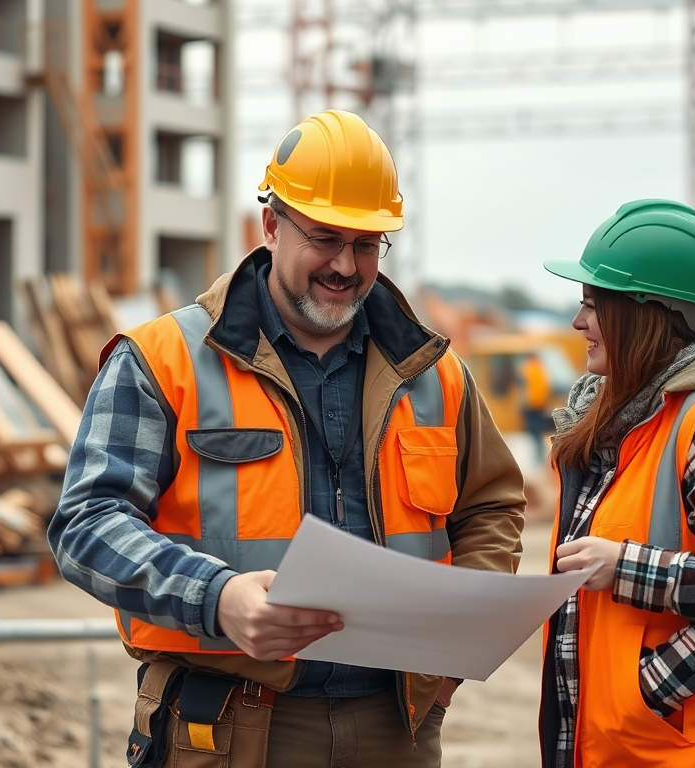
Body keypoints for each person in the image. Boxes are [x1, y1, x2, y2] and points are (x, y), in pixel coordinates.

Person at [48, 109, 525, 768]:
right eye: (325, 237)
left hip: (396, 731)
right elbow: (85, 525)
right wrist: (217, 598)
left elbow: (491, 506)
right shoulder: (164, 358)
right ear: (271, 224)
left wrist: (458, 638)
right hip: (227, 725)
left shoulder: (434, 372)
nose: (345, 265)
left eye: (366, 244)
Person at [538, 199, 695, 768]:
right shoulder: (627, 424)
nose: (578, 324)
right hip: (632, 746)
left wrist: (642, 687)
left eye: (591, 305)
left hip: (693, 751)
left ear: (643, 314)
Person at [519, 351, 552, 465]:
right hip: (540, 404)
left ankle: (537, 457)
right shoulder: (542, 369)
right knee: (538, 431)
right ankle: (540, 455)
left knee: (533, 431)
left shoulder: (527, 369)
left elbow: (523, 386)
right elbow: (546, 387)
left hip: (530, 404)